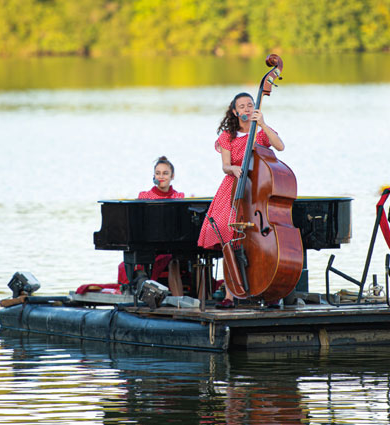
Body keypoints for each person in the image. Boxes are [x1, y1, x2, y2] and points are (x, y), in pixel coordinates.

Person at [197, 92, 285, 308]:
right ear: (235, 112)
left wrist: (263, 124)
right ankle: (230, 294)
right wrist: (233, 168)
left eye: (250, 105)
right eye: (242, 107)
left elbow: (280, 146)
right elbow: (225, 166)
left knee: (259, 241)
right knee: (228, 233)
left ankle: (267, 289)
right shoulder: (228, 136)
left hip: (257, 192)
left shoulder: (260, 134)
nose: (246, 109)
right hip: (234, 188)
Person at [119, 156, 186, 296]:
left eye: (165, 173)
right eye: (158, 173)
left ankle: (179, 300)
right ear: (154, 176)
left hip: (172, 243)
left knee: (174, 259)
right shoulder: (145, 196)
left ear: (172, 176)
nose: (161, 176)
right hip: (149, 243)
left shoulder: (179, 196)